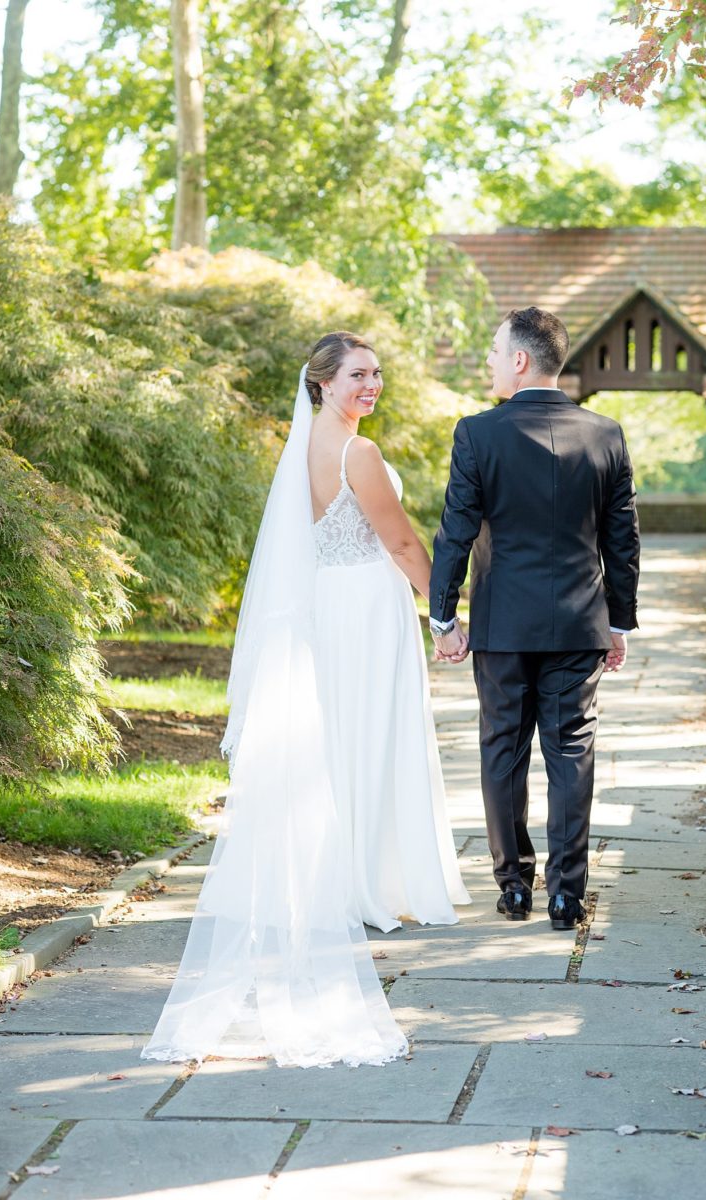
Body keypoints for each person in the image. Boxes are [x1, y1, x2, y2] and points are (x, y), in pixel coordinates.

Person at [140, 332, 468, 1071]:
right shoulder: (359, 454)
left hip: (327, 608)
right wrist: (447, 618)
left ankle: (346, 877)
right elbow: (405, 544)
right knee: (367, 736)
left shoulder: (301, 452)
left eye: (377, 373)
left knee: (340, 740)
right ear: (321, 383)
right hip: (364, 614)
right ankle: (366, 885)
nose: (371, 385)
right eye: (357, 375)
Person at [429, 306, 640, 929]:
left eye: (496, 352)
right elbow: (622, 539)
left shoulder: (477, 434)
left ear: (520, 360)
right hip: (579, 621)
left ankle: (514, 885)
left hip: (502, 624)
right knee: (571, 749)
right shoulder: (605, 434)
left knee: (502, 747)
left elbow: (455, 534)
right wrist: (619, 623)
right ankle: (566, 895)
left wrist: (444, 617)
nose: (490, 362)